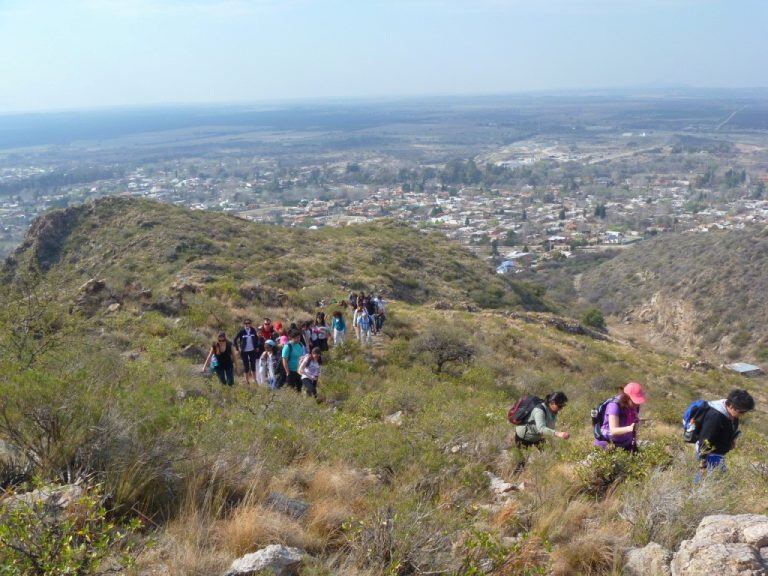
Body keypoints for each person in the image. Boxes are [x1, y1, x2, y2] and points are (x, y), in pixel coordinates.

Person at [697, 389, 755, 473]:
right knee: (709, 482)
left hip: (718, 455)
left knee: (715, 482)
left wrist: (731, 441)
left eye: (745, 412)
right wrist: (702, 462)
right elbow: (705, 439)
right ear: (731, 406)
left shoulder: (733, 415)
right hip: (709, 455)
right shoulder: (715, 416)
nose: (743, 414)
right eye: (742, 412)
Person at [594, 382, 646, 451]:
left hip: (626, 443)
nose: (637, 404)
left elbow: (633, 425)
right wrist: (630, 428)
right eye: (634, 401)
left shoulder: (635, 406)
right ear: (627, 397)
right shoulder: (614, 406)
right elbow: (613, 430)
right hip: (608, 445)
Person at [233, 319, 263, 385]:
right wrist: (237, 349)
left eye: (249, 323)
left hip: (252, 350)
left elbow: (257, 338)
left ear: (250, 324)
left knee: (253, 365)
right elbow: (234, 340)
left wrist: (257, 346)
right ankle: (247, 381)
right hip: (244, 351)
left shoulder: (253, 330)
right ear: (244, 324)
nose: (247, 325)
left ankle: (255, 380)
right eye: (246, 323)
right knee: (246, 366)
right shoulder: (242, 331)